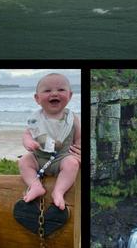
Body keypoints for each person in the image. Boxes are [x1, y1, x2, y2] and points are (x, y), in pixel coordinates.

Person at [18, 73, 81, 210]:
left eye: (61, 90)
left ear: (70, 95)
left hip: (62, 158)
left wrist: (79, 151)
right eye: (47, 90)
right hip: (39, 157)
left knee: (72, 164)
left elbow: (79, 138)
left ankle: (58, 191)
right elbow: (27, 134)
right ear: (37, 98)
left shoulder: (72, 118)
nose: (54, 93)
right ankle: (35, 186)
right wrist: (28, 142)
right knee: (24, 161)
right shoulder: (35, 119)